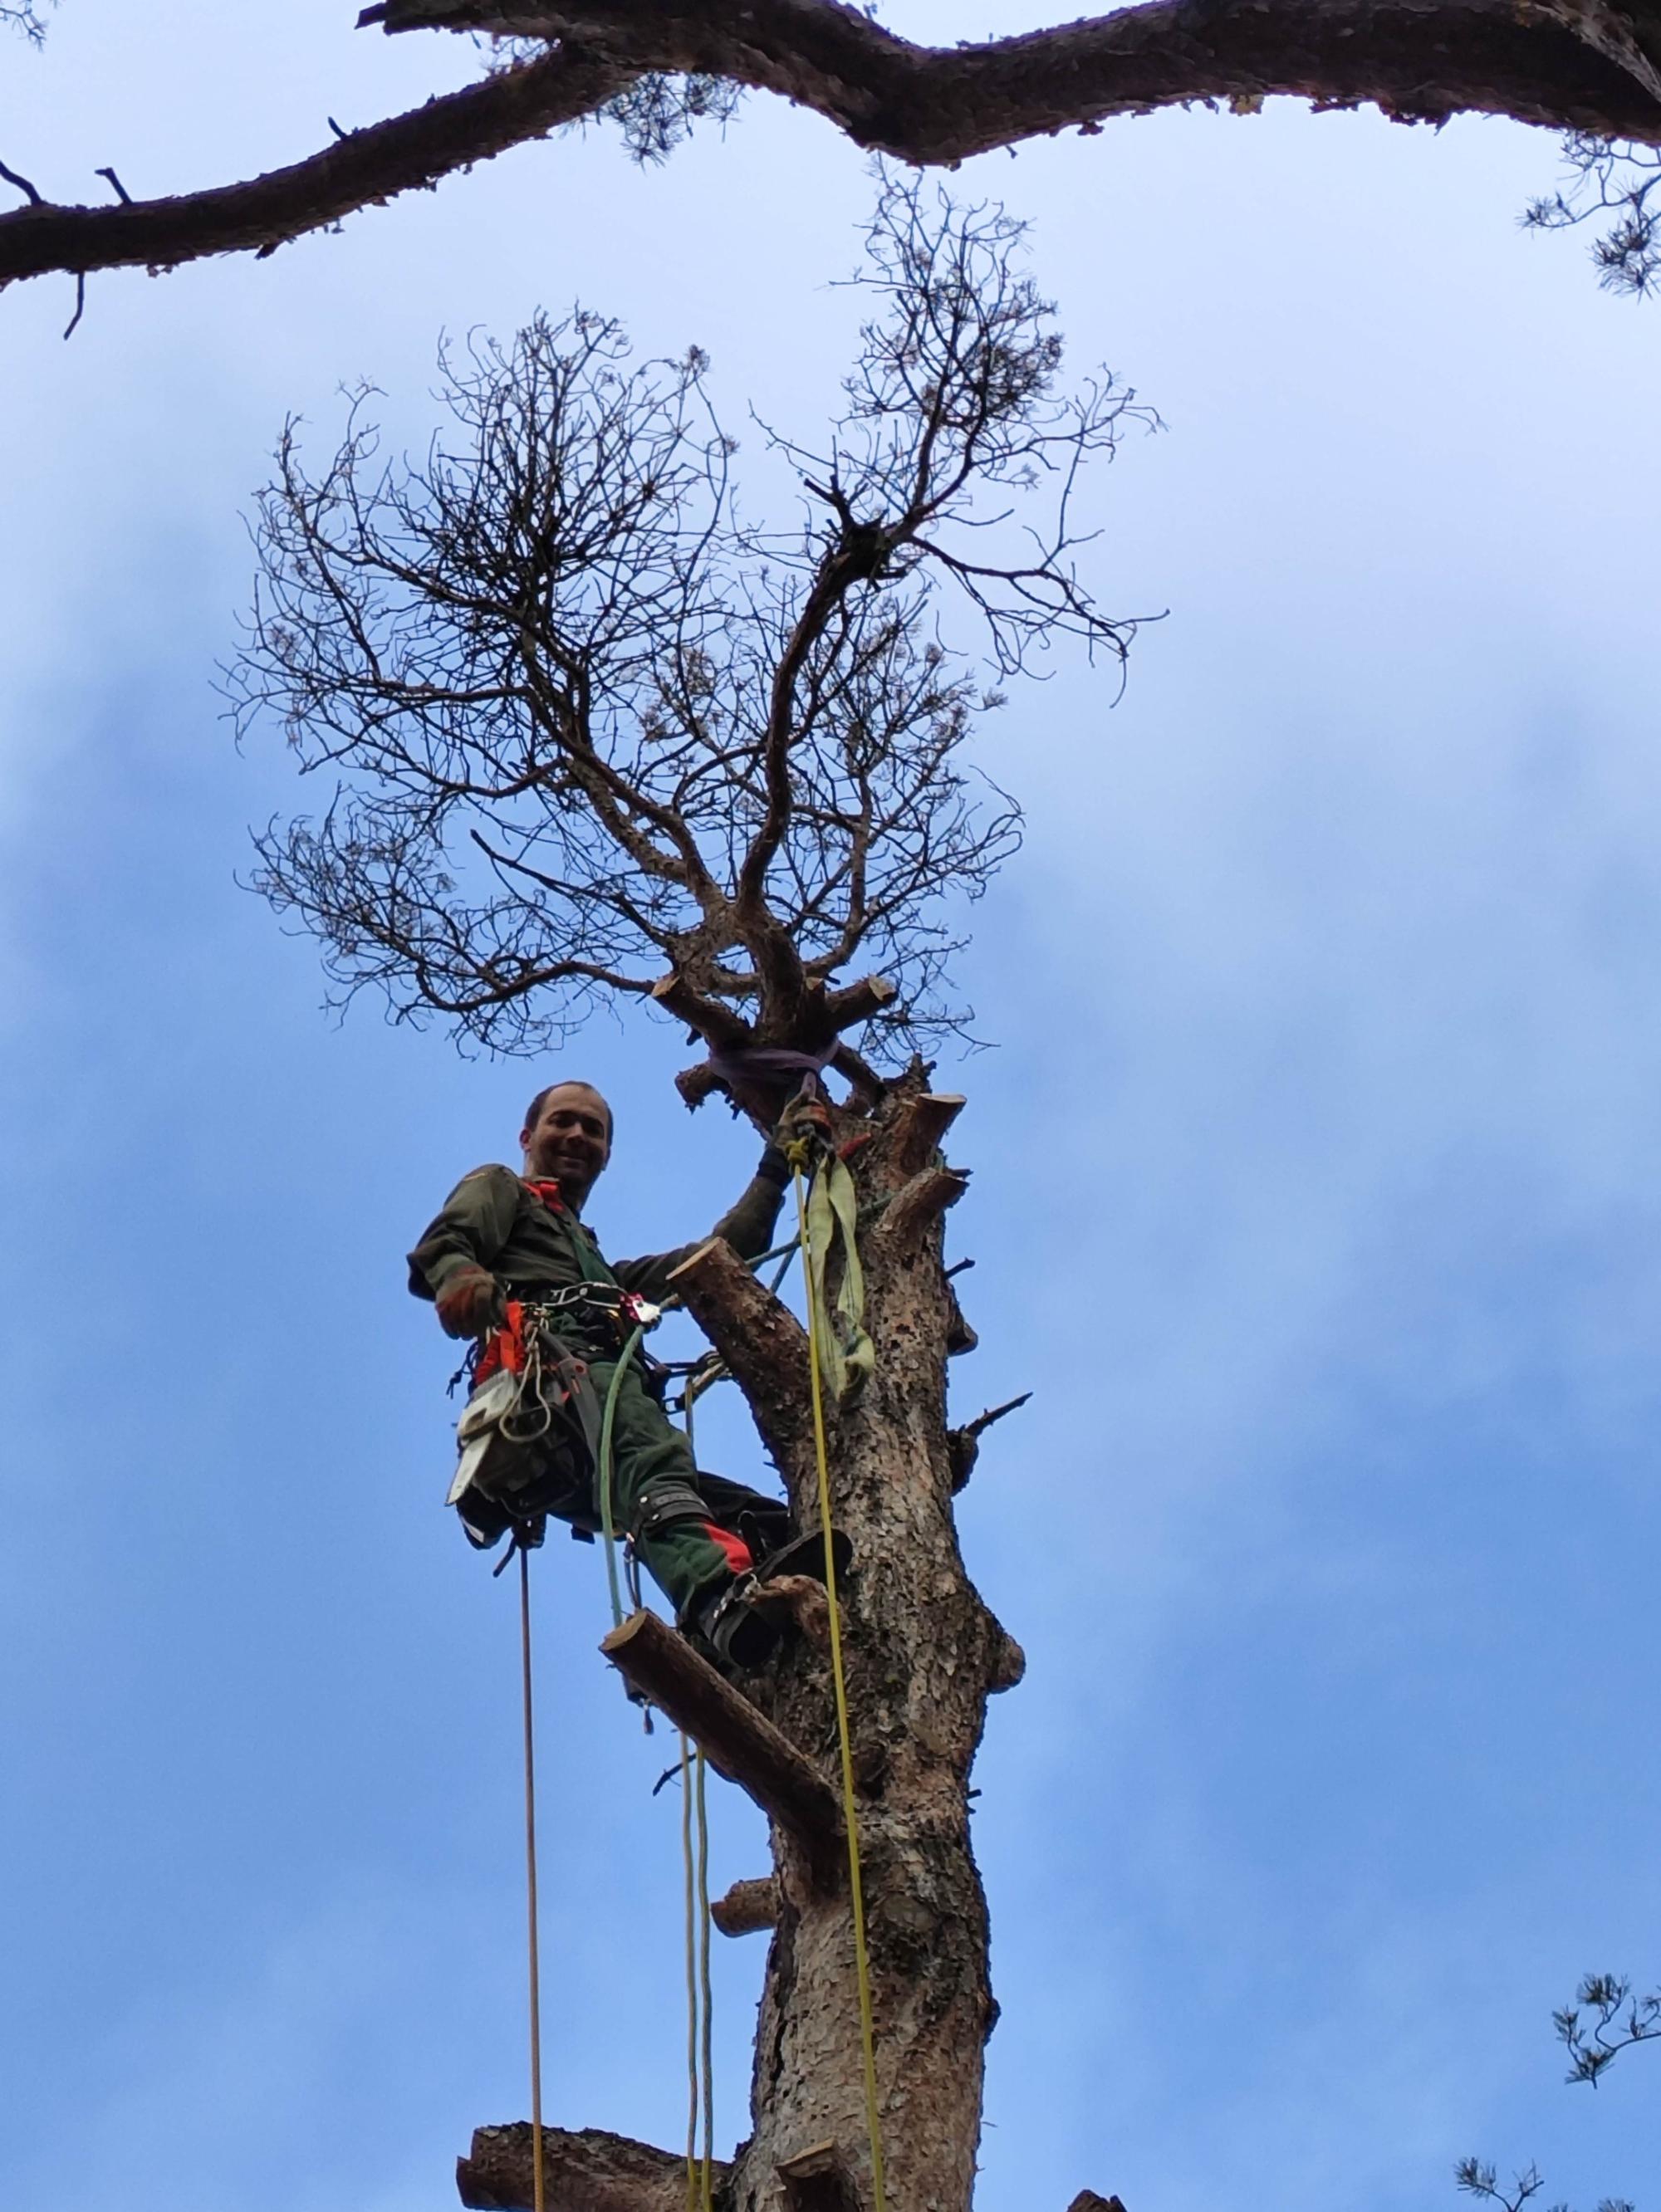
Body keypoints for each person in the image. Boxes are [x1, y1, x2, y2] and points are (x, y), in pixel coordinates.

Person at [408, 1079, 830, 1666]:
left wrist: (777, 1164)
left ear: (607, 1154)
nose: (577, 1135)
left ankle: (743, 1619)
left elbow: (719, 1257)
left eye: (593, 1129)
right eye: (563, 1121)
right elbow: (449, 1241)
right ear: (528, 1136)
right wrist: (458, 1278)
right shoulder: (502, 1187)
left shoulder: (599, 1270)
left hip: (578, 1430)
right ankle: (717, 1596)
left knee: (743, 1514)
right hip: (562, 1381)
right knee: (654, 1466)